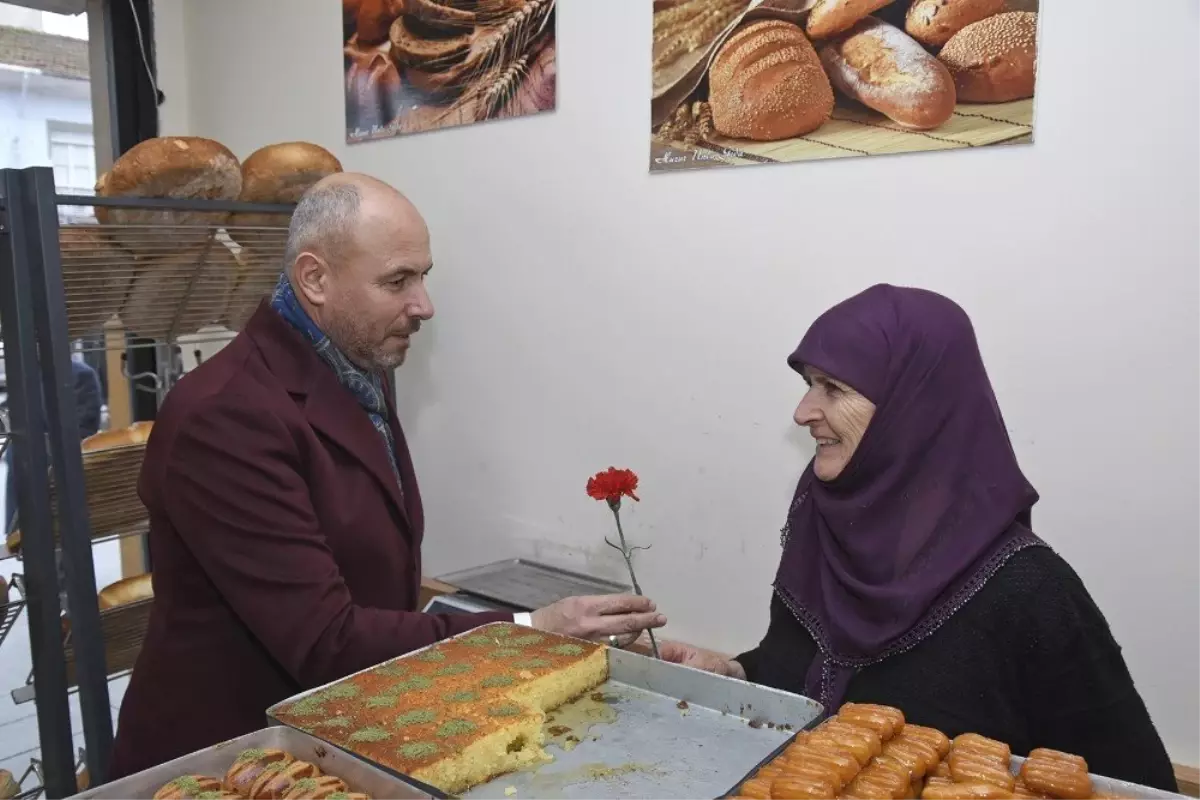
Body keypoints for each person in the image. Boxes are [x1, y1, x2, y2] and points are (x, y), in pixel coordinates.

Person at [109, 174, 666, 778]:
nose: (424, 304)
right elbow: (326, 642)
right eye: (397, 281)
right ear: (315, 279)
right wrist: (530, 630)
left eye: (424, 276)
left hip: (337, 726)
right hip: (231, 761)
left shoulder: (353, 369)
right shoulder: (225, 414)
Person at [660, 285, 1177, 791]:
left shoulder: (1028, 590)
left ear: (914, 407)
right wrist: (732, 671)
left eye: (833, 388)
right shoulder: (825, 518)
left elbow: (1133, 782)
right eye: (809, 383)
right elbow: (800, 667)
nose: (802, 412)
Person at [4, 356, 103, 533]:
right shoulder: (26, 374)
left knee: (66, 548)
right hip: (25, 489)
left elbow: (83, 433)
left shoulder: (80, 375)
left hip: (60, 484)